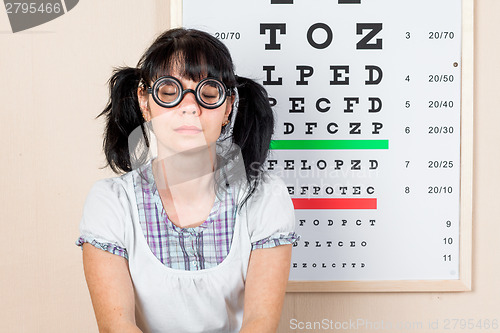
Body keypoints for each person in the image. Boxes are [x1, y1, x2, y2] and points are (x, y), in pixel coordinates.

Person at [75, 27, 299, 333]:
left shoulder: (265, 196)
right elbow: (116, 326)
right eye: (170, 92)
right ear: (145, 100)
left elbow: (260, 323)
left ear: (228, 107)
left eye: (208, 94)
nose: (190, 107)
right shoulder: (111, 202)